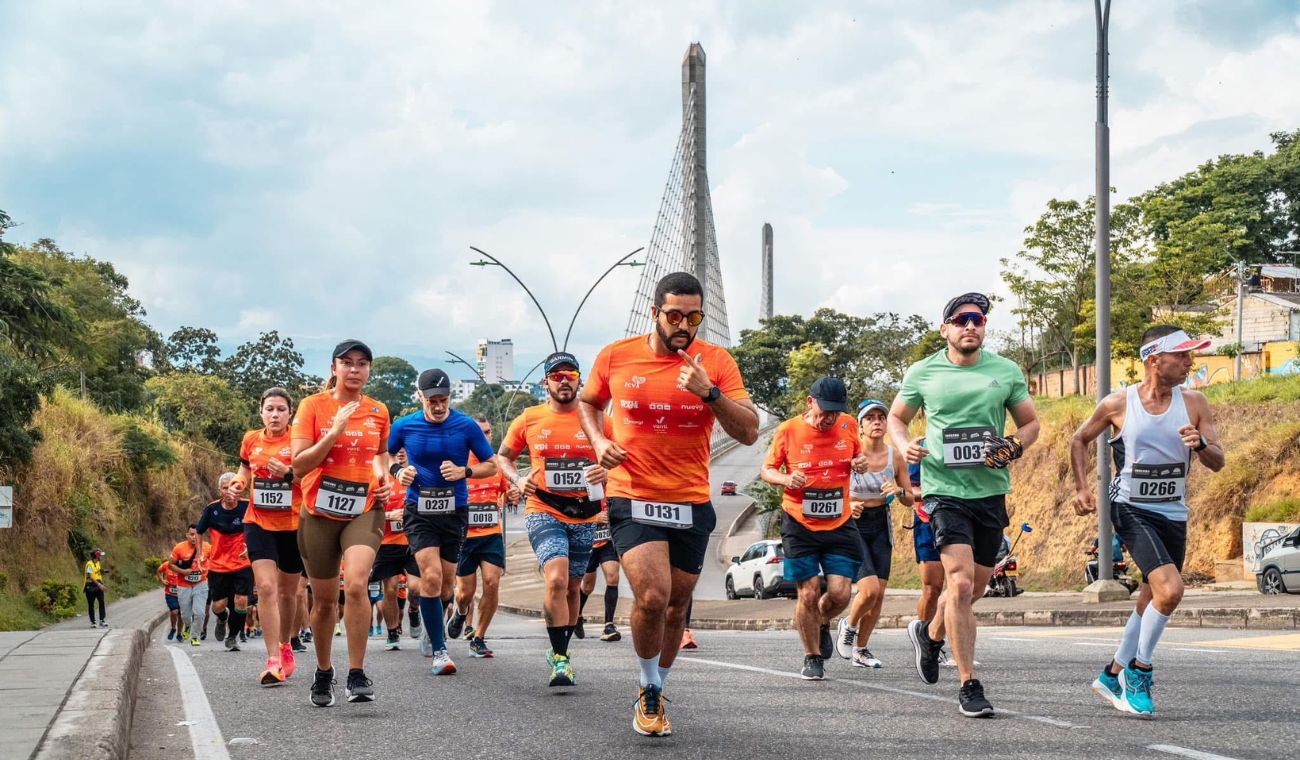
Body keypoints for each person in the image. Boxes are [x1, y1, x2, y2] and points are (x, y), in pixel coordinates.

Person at [579, 272, 758, 736]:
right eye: (675, 315)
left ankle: (660, 682)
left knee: (678, 605)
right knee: (654, 596)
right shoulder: (616, 356)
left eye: (693, 317)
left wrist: (710, 393)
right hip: (632, 494)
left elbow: (748, 432)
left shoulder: (715, 362)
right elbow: (590, 403)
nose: (684, 325)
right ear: (654, 312)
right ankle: (647, 686)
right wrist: (598, 440)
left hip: (690, 500)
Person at [893, 292, 1039, 718]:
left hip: (990, 492)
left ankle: (931, 633)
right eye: (961, 319)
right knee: (956, 585)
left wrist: (1013, 445)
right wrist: (906, 446)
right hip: (943, 491)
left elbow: (1030, 423)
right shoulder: (923, 372)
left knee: (976, 587)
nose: (970, 325)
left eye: (977, 319)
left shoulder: (1005, 371)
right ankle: (969, 684)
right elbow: (899, 418)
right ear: (945, 329)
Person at [1070, 325, 1224, 717]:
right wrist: (1082, 488)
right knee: (1170, 590)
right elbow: (1079, 439)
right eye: (1183, 355)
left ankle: (1110, 674)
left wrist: (1201, 445)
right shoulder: (1118, 404)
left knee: (1151, 595)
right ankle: (1138, 673)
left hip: (1174, 511)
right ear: (1155, 359)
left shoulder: (1195, 403)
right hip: (1129, 507)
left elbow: (1218, 461)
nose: (1190, 362)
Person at [292, 339, 394, 706]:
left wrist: (384, 480)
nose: (355, 369)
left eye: (362, 363)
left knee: (355, 585)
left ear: (369, 370)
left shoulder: (379, 410)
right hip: (318, 514)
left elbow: (381, 454)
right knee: (322, 603)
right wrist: (333, 431)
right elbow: (299, 464)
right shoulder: (312, 407)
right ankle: (323, 672)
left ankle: (356, 672)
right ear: (334, 367)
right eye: (347, 363)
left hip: (364, 509)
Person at [499, 351, 609, 687]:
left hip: (585, 514)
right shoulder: (530, 418)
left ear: (579, 379)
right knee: (556, 579)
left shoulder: (599, 419)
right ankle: (560, 659)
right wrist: (517, 480)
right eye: (556, 375)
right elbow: (503, 456)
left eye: (570, 374)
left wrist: (607, 468)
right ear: (546, 383)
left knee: (574, 587)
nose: (564, 380)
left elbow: (623, 454)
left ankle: (561, 649)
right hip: (544, 508)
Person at [390, 367, 495, 677]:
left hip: (454, 512)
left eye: (444, 400)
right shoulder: (404, 426)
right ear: (420, 396)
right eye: (432, 400)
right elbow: (384, 456)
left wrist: (465, 472)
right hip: (419, 510)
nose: (438, 406)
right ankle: (440, 651)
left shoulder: (465, 426)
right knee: (431, 577)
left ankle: (432, 622)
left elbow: (491, 465)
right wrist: (398, 473)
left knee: (447, 585)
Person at [761, 377, 868, 680]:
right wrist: (784, 479)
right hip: (799, 522)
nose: (829, 418)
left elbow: (858, 456)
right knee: (807, 593)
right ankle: (812, 656)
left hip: (839, 521)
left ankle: (821, 620)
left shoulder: (848, 425)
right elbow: (767, 470)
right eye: (824, 411)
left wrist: (859, 462)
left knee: (841, 593)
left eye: (835, 412)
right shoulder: (788, 430)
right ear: (810, 403)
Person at [836, 399, 913, 669]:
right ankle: (849, 624)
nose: (877, 421)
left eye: (881, 417)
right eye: (870, 418)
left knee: (879, 594)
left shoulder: (896, 457)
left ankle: (861, 649)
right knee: (867, 591)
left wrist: (899, 492)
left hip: (881, 523)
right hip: (854, 524)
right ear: (860, 426)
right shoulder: (848, 457)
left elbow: (910, 498)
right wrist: (848, 504)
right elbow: (831, 489)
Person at [236, 387, 305, 686]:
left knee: (288, 593)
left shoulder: (300, 441)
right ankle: (272, 659)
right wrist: (239, 483)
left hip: (293, 525)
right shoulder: (251, 439)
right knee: (265, 587)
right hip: (258, 521)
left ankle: (287, 644)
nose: (274, 414)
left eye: (281, 409)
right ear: (261, 411)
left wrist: (289, 473)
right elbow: (244, 469)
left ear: (290, 413)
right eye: (269, 409)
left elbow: (314, 478)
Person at [449, 416, 511, 659]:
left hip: (491, 534)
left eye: (487, 432)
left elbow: (508, 490)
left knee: (492, 583)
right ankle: (461, 611)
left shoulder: (496, 463)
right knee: (465, 592)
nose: (483, 437)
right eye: (478, 432)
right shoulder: (457, 462)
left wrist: (514, 492)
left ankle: (479, 638)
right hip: (464, 537)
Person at [370, 449, 422, 652]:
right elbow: (367, 511)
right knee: (390, 588)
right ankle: (392, 631)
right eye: (395, 450)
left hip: (413, 540)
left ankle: (414, 609)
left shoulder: (417, 474)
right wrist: (390, 515)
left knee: (416, 588)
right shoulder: (379, 474)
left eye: (405, 449)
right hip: (388, 542)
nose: (400, 453)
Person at [196, 472, 252, 652]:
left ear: (240, 489)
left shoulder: (247, 506)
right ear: (220, 490)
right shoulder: (211, 510)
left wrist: (251, 546)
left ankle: (233, 636)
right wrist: (199, 555)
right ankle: (222, 618)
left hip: (242, 564)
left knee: (241, 601)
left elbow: (258, 526)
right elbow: (199, 531)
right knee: (219, 605)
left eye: (234, 487)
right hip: (218, 566)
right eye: (225, 487)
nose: (230, 491)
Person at [579, 502, 623, 642]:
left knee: (613, 577)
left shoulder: (612, 483)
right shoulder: (583, 486)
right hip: (588, 540)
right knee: (587, 587)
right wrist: (594, 519)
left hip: (608, 540)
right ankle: (577, 615)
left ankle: (608, 625)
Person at [169, 526, 212, 647]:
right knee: (185, 615)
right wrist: (183, 572)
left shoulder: (207, 547)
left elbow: (216, 559)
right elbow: (170, 565)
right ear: (187, 535)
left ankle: (195, 636)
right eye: (191, 534)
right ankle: (187, 626)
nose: (194, 537)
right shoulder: (179, 548)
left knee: (199, 613)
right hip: (183, 585)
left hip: (201, 584)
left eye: (196, 534)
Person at [83, 548, 108, 628]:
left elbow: (97, 572)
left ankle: (102, 620)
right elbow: (90, 576)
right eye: (100, 555)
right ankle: (93, 622)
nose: (100, 557)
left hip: (98, 583)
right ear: (96, 556)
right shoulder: (89, 564)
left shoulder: (98, 563)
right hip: (91, 585)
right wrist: (99, 585)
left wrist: (102, 572)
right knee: (91, 604)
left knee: (101, 602)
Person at [157, 561, 182, 641]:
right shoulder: (166, 565)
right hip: (170, 594)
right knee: (174, 611)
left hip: (182, 594)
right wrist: (162, 580)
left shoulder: (184, 565)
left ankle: (179, 634)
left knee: (181, 615)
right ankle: (173, 628)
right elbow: (159, 570)